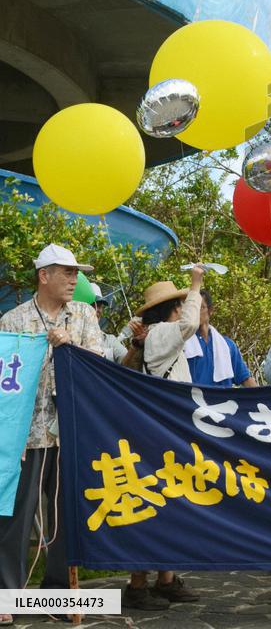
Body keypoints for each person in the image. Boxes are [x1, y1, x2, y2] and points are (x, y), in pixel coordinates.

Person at [0, 244, 104, 620]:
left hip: (70, 433)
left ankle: (59, 596)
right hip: (26, 437)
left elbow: (100, 361)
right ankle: (7, 597)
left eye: (76, 272)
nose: (74, 279)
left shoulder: (84, 317)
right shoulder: (13, 321)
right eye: (67, 272)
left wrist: (70, 344)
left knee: (65, 518)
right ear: (44, 276)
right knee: (16, 518)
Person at [122, 266, 205, 611]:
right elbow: (188, 324)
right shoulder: (161, 333)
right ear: (170, 310)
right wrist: (196, 284)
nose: (185, 309)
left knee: (168, 502)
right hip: (162, 431)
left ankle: (165, 579)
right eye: (180, 304)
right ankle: (139, 585)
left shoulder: (154, 335)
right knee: (154, 504)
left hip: (163, 428)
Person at [185, 289, 256, 387]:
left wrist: (263, 399)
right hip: (191, 400)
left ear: (210, 310)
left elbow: (245, 379)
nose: (195, 312)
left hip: (223, 401)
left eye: (200, 307)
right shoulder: (184, 344)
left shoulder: (228, 345)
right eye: (192, 308)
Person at [92, 285, 128, 364]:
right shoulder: (70, 335)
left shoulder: (110, 340)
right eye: (92, 305)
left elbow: (128, 364)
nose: (98, 310)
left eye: (99, 306)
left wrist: (136, 346)